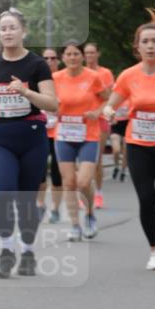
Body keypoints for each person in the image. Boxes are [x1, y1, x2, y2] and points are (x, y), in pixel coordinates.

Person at [0, 8, 57, 278]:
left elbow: (52, 104)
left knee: (26, 201)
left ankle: (28, 251)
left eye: (12, 28)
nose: (7, 32)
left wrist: (26, 91)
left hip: (32, 136)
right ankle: (7, 251)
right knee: (4, 193)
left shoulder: (36, 65)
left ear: (24, 32)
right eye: (3, 28)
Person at [103, 8, 155, 272]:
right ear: (137, 47)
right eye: (145, 42)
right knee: (146, 197)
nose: (150, 46)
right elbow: (111, 104)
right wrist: (109, 111)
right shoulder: (129, 75)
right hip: (137, 145)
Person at [53, 41, 110, 241]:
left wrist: (96, 112)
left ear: (82, 56)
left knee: (83, 181)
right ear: (63, 58)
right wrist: (53, 110)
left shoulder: (93, 77)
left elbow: (107, 99)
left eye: (76, 54)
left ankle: (89, 214)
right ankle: (75, 226)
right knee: (69, 182)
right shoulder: (56, 78)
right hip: (64, 135)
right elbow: (50, 102)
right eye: (68, 54)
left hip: (88, 134)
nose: (72, 58)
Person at [83, 42, 114, 209]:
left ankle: (99, 193)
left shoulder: (105, 73)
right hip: (81, 120)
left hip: (99, 119)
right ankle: (85, 190)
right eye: (86, 53)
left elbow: (110, 97)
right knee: (82, 161)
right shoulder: (79, 72)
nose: (89, 56)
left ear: (98, 54)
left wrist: (106, 112)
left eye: (92, 53)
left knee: (96, 159)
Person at [37, 47, 63, 223]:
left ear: (58, 61)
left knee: (56, 173)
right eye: (46, 58)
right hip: (40, 131)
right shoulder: (36, 79)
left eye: (53, 58)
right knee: (38, 172)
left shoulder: (63, 79)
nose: (49, 61)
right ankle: (40, 204)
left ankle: (55, 207)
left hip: (60, 132)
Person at [110, 101, 129, 181]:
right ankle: (116, 166)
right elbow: (108, 108)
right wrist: (111, 118)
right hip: (116, 125)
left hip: (127, 125)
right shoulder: (116, 97)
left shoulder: (130, 97)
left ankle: (123, 171)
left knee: (126, 150)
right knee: (116, 149)